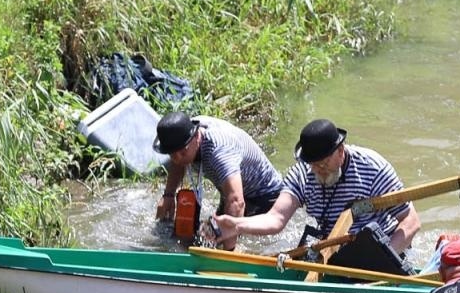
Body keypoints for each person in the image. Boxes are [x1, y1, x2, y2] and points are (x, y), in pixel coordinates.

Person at [210, 119, 421, 265]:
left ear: (340, 151)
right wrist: (237, 225)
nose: (317, 170)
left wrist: (382, 258)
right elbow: (275, 219)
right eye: (313, 165)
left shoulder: (373, 168)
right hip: (331, 248)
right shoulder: (303, 171)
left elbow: (410, 221)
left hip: (378, 247)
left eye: (323, 164)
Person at [153, 112, 284, 247]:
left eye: (183, 152)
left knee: (242, 245)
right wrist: (168, 195)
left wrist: (228, 254)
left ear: (196, 137)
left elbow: (236, 202)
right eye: (172, 154)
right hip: (231, 189)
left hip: (264, 195)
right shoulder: (181, 132)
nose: (178, 159)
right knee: (204, 237)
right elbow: (177, 156)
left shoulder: (219, 151)